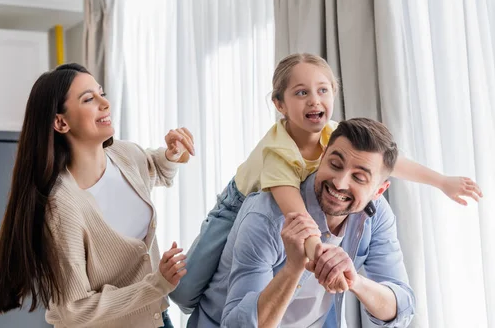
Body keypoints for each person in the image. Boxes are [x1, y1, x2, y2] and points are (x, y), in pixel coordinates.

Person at [170, 53, 482, 309]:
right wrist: (321, 257)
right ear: (279, 104)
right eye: (301, 92)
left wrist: (442, 181)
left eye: (323, 90)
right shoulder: (278, 153)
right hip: (239, 204)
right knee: (183, 294)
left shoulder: (335, 134)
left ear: (334, 94)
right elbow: (297, 216)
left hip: (287, 204)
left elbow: (389, 163)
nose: (314, 100)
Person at [0, 63, 194, 328]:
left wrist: (171, 154)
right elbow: (74, 310)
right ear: (61, 122)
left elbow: (156, 170)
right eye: (89, 99)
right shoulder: (63, 207)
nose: (104, 104)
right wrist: (157, 284)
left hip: (156, 320)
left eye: (101, 93)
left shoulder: (125, 155)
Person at [189, 118, 416, 327]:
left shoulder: (374, 215)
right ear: (323, 156)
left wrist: (355, 281)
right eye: (335, 164)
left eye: (359, 178)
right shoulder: (267, 216)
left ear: (379, 191)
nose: (339, 183)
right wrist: (293, 268)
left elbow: (403, 307)